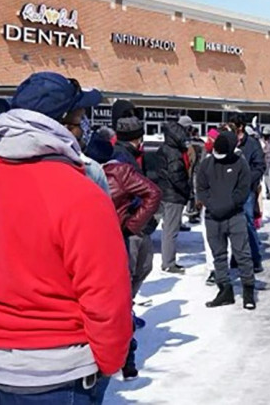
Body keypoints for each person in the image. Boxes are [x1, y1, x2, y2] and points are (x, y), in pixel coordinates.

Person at [0, 72, 132, 403]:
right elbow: (106, 296)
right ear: (61, 125)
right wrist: (109, 361)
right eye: (80, 118)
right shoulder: (83, 195)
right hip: (61, 374)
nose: (85, 126)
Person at [85, 133, 162, 381]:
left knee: (122, 298)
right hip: (91, 243)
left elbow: (153, 193)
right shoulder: (80, 173)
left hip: (120, 239)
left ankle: (127, 358)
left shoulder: (120, 173)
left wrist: (132, 223)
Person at [196, 131, 256, 310]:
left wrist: (228, 205)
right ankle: (225, 290)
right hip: (213, 218)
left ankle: (248, 291)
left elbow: (243, 190)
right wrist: (212, 205)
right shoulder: (206, 164)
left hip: (235, 216)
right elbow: (201, 188)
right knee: (219, 256)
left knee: (242, 254)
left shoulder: (241, 164)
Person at [112, 117, 159, 292]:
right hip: (130, 222)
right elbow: (132, 192)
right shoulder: (123, 159)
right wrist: (139, 220)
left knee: (144, 266)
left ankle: (128, 308)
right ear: (138, 138)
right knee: (131, 270)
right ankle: (125, 311)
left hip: (133, 221)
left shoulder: (128, 155)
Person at [228, 114, 266, 273]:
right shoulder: (228, 142)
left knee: (248, 223)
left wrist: (246, 180)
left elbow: (259, 166)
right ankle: (236, 257)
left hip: (246, 191)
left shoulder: (252, 144)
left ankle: (255, 259)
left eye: (232, 125)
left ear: (240, 127)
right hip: (230, 190)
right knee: (233, 225)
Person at [156, 120, 192, 274]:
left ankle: (167, 260)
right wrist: (187, 192)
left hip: (163, 192)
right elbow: (177, 176)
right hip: (173, 196)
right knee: (171, 230)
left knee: (165, 228)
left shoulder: (163, 149)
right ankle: (168, 262)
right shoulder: (175, 154)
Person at [200, 128, 220, 285]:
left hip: (222, 204)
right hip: (207, 205)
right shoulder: (205, 157)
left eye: (211, 139)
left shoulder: (228, 158)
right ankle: (212, 268)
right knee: (208, 238)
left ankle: (221, 267)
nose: (208, 142)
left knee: (222, 238)